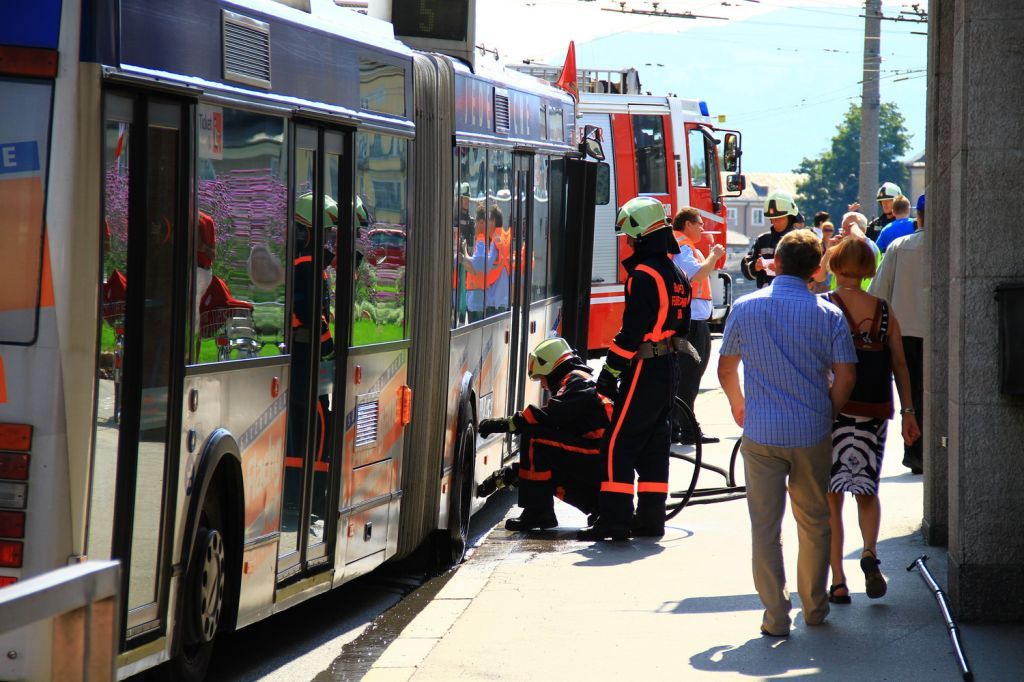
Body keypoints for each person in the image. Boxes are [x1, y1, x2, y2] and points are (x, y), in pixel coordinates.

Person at [718, 229, 857, 637]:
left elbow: (726, 369)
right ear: (816, 270)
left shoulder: (745, 307)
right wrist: (828, 411)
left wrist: (739, 405)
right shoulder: (829, 314)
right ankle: (814, 607)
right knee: (814, 521)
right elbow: (847, 375)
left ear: (774, 263)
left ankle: (776, 616)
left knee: (765, 527)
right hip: (811, 430)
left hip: (761, 431)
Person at [578, 196, 691, 542]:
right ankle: (650, 519)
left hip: (645, 367)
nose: (627, 242)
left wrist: (609, 373)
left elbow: (632, 333)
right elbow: (683, 327)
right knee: (655, 444)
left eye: (630, 236)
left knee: (617, 444)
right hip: (669, 365)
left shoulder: (643, 275)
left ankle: (614, 521)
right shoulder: (678, 274)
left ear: (641, 235)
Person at [820, 236, 921, 605]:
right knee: (866, 490)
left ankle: (838, 581)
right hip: (874, 410)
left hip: (834, 410)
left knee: (832, 496)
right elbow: (900, 364)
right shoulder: (883, 309)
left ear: (835, 265)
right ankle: (869, 552)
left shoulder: (825, 306)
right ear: (868, 269)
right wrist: (908, 411)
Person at [478, 338, 612, 531]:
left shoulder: (576, 381)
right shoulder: (579, 379)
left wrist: (506, 424)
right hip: (599, 460)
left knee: (535, 437)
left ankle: (537, 513)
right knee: (544, 468)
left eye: (541, 378)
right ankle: (597, 507)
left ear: (551, 367)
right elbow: (558, 437)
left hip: (598, 455)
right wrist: (512, 474)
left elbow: (552, 415)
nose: (542, 385)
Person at [869, 193, 926, 474]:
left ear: (919, 218)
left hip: (904, 332)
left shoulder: (898, 246)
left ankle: (914, 451)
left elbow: (877, 293)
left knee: (910, 394)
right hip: (940, 331)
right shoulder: (953, 245)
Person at [672, 207, 725, 444]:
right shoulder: (683, 246)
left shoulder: (682, 246)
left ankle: (676, 427)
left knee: (686, 376)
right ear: (688, 224)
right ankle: (688, 430)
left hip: (693, 320)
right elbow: (696, 275)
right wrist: (713, 255)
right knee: (689, 377)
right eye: (700, 224)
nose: (703, 228)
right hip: (691, 322)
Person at [741, 191, 799, 289]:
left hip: (793, 292)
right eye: (772, 218)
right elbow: (746, 267)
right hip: (766, 294)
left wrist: (782, 270)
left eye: (779, 218)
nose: (775, 222)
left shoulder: (801, 241)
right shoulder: (762, 240)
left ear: (789, 217)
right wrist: (755, 266)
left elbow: (811, 272)